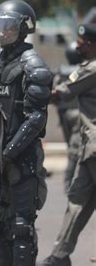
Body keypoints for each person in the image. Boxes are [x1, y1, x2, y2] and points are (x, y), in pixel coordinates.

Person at [0, 0, 52, 265]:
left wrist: (8, 153)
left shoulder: (33, 65)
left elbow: (37, 118)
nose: (2, 31)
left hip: (22, 157)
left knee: (21, 226)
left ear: (24, 28)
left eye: (9, 26)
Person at [39, 24, 96, 266]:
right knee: (77, 199)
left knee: (77, 200)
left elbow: (61, 93)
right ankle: (60, 255)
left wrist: (32, 91)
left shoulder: (92, 69)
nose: (78, 44)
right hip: (89, 147)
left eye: (82, 40)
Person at [52, 42, 82, 193]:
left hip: (63, 114)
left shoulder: (61, 71)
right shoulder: (84, 70)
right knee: (74, 151)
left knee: (71, 148)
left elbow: (54, 91)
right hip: (78, 114)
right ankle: (68, 184)